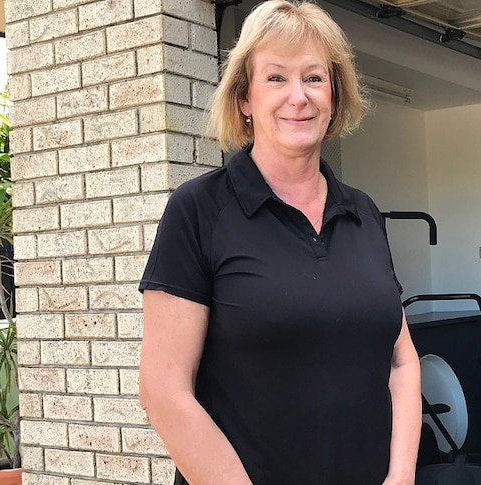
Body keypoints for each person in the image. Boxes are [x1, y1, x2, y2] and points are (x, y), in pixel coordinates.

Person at [137, 2, 421, 484]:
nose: (298, 97)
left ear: (334, 95)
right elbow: (164, 391)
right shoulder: (199, 210)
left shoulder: (364, 214)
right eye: (275, 78)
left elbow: (402, 361)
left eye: (314, 78)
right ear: (244, 98)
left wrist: (401, 477)